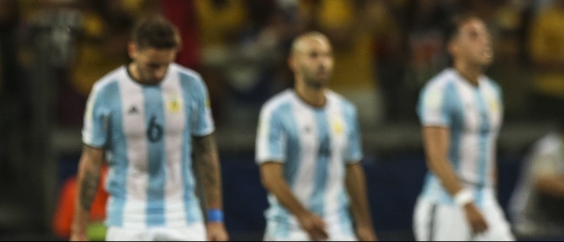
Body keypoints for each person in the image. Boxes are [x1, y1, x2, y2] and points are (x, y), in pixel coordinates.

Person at [72, 16, 228, 241]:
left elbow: (207, 154)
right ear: (133, 50)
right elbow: (91, 162)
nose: (159, 73)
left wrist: (215, 219)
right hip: (127, 218)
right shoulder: (106, 92)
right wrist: (79, 230)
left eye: (167, 64)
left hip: (183, 216)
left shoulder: (191, 85)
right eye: (153, 65)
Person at [256, 32, 377, 241]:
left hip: (337, 227)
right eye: (313, 55)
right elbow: (270, 175)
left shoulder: (345, 111)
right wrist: (303, 215)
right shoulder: (276, 112)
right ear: (294, 63)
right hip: (289, 228)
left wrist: (364, 225)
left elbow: (352, 168)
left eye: (327, 55)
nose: (322, 62)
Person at [413, 15, 513, 241]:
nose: (484, 41)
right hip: (447, 203)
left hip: (484, 200)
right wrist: (464, 202)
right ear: (454, 47)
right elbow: (436, 157)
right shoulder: (439, 91)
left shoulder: (493, 92)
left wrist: (489, 196)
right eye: (473, 35)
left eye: (486, 35)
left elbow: (489, 149)